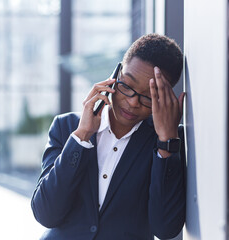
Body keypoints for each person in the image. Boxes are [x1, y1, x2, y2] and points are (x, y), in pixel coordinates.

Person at [31, 33, 186, 240]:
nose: (132, 102)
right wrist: (82, 136)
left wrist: (167, 142)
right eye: (127, 86)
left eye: (148, 96)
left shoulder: (167, 143)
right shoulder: (67, 127)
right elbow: (45, 214)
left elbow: (165, 228)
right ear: (116, 74)